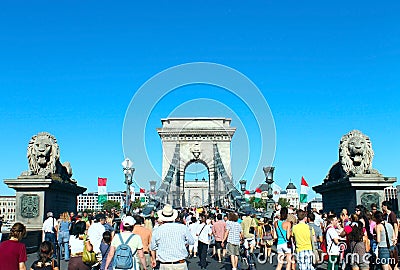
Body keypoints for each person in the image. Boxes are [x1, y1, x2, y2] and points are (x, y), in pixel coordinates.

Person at [150, 204, 195, 270]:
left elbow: (153, 247)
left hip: (165, 264)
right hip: (180, 264)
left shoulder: (157, 230)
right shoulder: (182, 227)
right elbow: (191, 241)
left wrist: (153, 259)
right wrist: (184, 242)